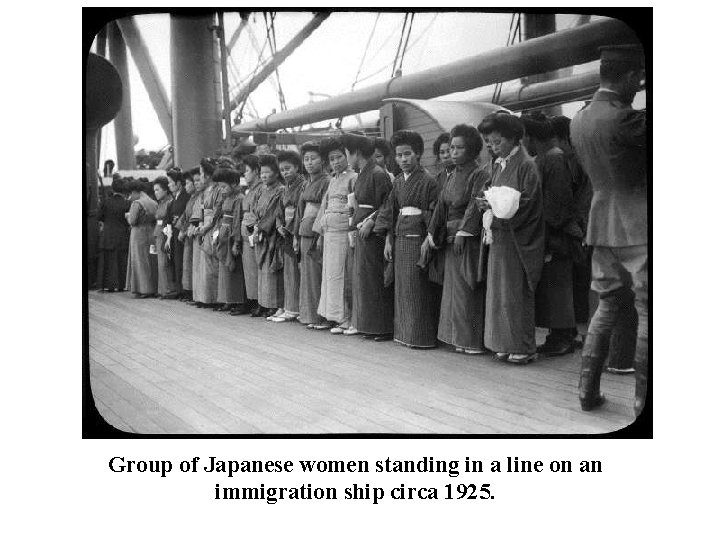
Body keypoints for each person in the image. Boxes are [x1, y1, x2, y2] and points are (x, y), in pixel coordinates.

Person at [570, 44, 647, 415]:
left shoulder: (578, 120)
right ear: (631, 77)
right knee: (648, 310)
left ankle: (587, 392)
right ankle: (642, 401)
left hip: (600, 225)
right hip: (639, 224)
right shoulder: (628, 120)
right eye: (640, 79)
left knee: (607, 304)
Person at [482, 114, 545, 364]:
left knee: (515, 293)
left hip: (518, 238)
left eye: (498, 142)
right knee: (499, 293)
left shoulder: (526, 165)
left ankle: (522, 346)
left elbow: (529, 203)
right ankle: (503, 342)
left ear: (513, 138)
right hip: (500, 237)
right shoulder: (498, 165)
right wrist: (486, 204)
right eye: (490, 142)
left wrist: (501, 209)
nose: (493, 147)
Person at [374, 130, 441, 349]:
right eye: (399, 155)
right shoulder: (398, 183)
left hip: (418, 238)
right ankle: (403, 333)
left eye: (408, 154)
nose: (403, 159)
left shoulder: (428, 181)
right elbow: (391, 211)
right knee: (402, 288)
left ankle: (420, 337)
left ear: (419, 154)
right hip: (400, 237)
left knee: (417, 289)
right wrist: (387, 240)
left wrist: (429, 237)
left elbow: (435, 211)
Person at [428, 124, 490, 354]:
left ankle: (471, 339)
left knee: (468, 287)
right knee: (452, 291)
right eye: (452, 147)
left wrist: (464, 232)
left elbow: (476, 203)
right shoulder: (452, 175)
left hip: (468, 238)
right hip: (450, 237)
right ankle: (456, 337)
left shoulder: (479, 173)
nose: (453, 152)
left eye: (459, 148)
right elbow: (441, 207)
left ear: (472, 150)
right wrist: (432, 235)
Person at [522, 114, 576, 356]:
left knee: (558, 287)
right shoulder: (547, 158)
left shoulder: (552, 160)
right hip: (550, 230)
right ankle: (561, 334)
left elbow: (557, 203)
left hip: (555, 233)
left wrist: (545, 227)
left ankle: (563, 335)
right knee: (554, 287)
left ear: (532, 138)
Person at [345, 134, 394, 340]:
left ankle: (381, 327)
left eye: (347, 153)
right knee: (364, 279)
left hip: (373, 233)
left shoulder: (377, 173)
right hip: (362, 229)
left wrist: (372, 221)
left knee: (374, 278)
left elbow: (388, 202)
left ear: (356, 152)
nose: (348, 158)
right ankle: (368, 324)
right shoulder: (363, 173)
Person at [312, 137, 357, 333]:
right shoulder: (333, 180)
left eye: (339, 157)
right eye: (331, 159)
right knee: (329, 276)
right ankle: (331, 315)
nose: (335, 162)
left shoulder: (354, 178)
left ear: (347, 156)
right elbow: (325, 205)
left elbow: (354, 206)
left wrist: (351, 229)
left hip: (342, 231)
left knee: (341, 275)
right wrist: (320, 232)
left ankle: (344, 317)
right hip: (329, 231)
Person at [294, 141, 331, 328]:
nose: (309, 163)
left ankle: (319, 316)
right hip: (304, 229)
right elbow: (300, 210)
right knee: (307, 275)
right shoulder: (307, 183)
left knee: (317, 274)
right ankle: (308, 314)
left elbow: (324, 208)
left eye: (313, 158)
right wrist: (295, 234)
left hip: (316, 229)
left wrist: (320, 233)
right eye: (306, 159)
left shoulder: (326, 181)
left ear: (322, 160)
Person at [268, 150, 305, 322]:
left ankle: (295, 308)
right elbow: (279, 211)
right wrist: (279, 225)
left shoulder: (302, 185)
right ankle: (290, 306)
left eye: (288, 168)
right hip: (286, 230)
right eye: (282, 170)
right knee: (288, 271)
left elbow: (299, 209)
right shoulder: (286, 188)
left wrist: (291, 228)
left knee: (296, 272)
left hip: (295, 229)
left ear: (297, 167)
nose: (285, 172)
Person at [252, 154, 286, 317]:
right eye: (261, 172)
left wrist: (260, 227)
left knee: (272, 270)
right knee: (262, 270)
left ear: (276, 173)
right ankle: (263, 302)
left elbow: (274, 213)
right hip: (260, 231)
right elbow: (254, 210)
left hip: (272, 234)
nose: (263, 176)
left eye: (267, 172)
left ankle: (274, 303)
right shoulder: (261, 191)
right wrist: (253, 225)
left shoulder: (280, 190)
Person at [212, 162, 246, 312]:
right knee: (225, 269)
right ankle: (228, 299)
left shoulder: (239, 198)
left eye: (224, 186)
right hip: (224, 234)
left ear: (234, 184)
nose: (221, 189)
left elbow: (238, 221)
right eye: (220, 186)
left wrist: (236, 242)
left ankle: (239, 301)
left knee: (235, 269)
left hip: (232, 235)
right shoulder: (226, 197)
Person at [232, 154, 263, 316]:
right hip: (245, 234)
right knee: (249, 271)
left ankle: (258, 301)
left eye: (248, 171)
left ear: (256, 171)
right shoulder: (250, 190)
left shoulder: (260, 190)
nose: (245, 174)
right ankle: (252, 300)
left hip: (253, 233)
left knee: (255, 270)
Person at [193, 157, 222, 308]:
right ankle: (206, 297)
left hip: (213, 226)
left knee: (213, 264)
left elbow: (216, 212)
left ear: (208, 175)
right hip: (205, 225)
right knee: (205, 264)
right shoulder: (205, 192)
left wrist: (205, 227)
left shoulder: (217, 190)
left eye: (201, 173)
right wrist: (200, 224)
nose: (200, 177)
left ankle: (215, 298)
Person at [125, 179, 158, 298]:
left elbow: (132, 221)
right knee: (150, 260)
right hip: (151, 232)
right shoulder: (153, 202)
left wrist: (127, 216)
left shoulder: (137, 203)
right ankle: (153, 288)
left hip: (138, 234)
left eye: (130, 194)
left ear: (135, 192)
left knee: (139, 262)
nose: (130, 197)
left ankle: (143, 289)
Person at [97, 177, 130, 292]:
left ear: (113, 188)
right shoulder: (127, 203)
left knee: (109, 261)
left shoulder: (106, 202)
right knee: (121, 261)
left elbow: (99, 217)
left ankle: (108, 285)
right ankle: (121, 285)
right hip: (122, 235)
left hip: (108, 235)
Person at [152, 176, 177, 299]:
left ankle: (169, 289)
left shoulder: (169, 202)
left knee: (165, 263)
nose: (155, 192)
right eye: (154, 190)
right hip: (158, 233)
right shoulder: (160, 203)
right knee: (160, 263)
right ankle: (163, 289)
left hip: (164, 233)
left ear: (165, 190)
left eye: (157, 190)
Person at [176, 170, 199, 301]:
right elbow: (184, 216)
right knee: (187, 264)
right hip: (187, 233)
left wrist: (183, 230)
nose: (186, 186)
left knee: (190, 264)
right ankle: (188, 291)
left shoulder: (196, 198)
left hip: (191, 232)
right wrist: (181, 230)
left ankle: (191, 292)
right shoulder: (191, 198)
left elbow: (190, 218)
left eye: (188, 183)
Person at [167, 167, 189, 300]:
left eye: (170, 182)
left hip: (182, 230)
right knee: (176, 259)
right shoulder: (175, 198)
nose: (169, 185)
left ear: (178, 183)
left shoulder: (186, 196)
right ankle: (178, 288)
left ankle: (184, 289)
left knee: (182, 259)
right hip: (175, 230)